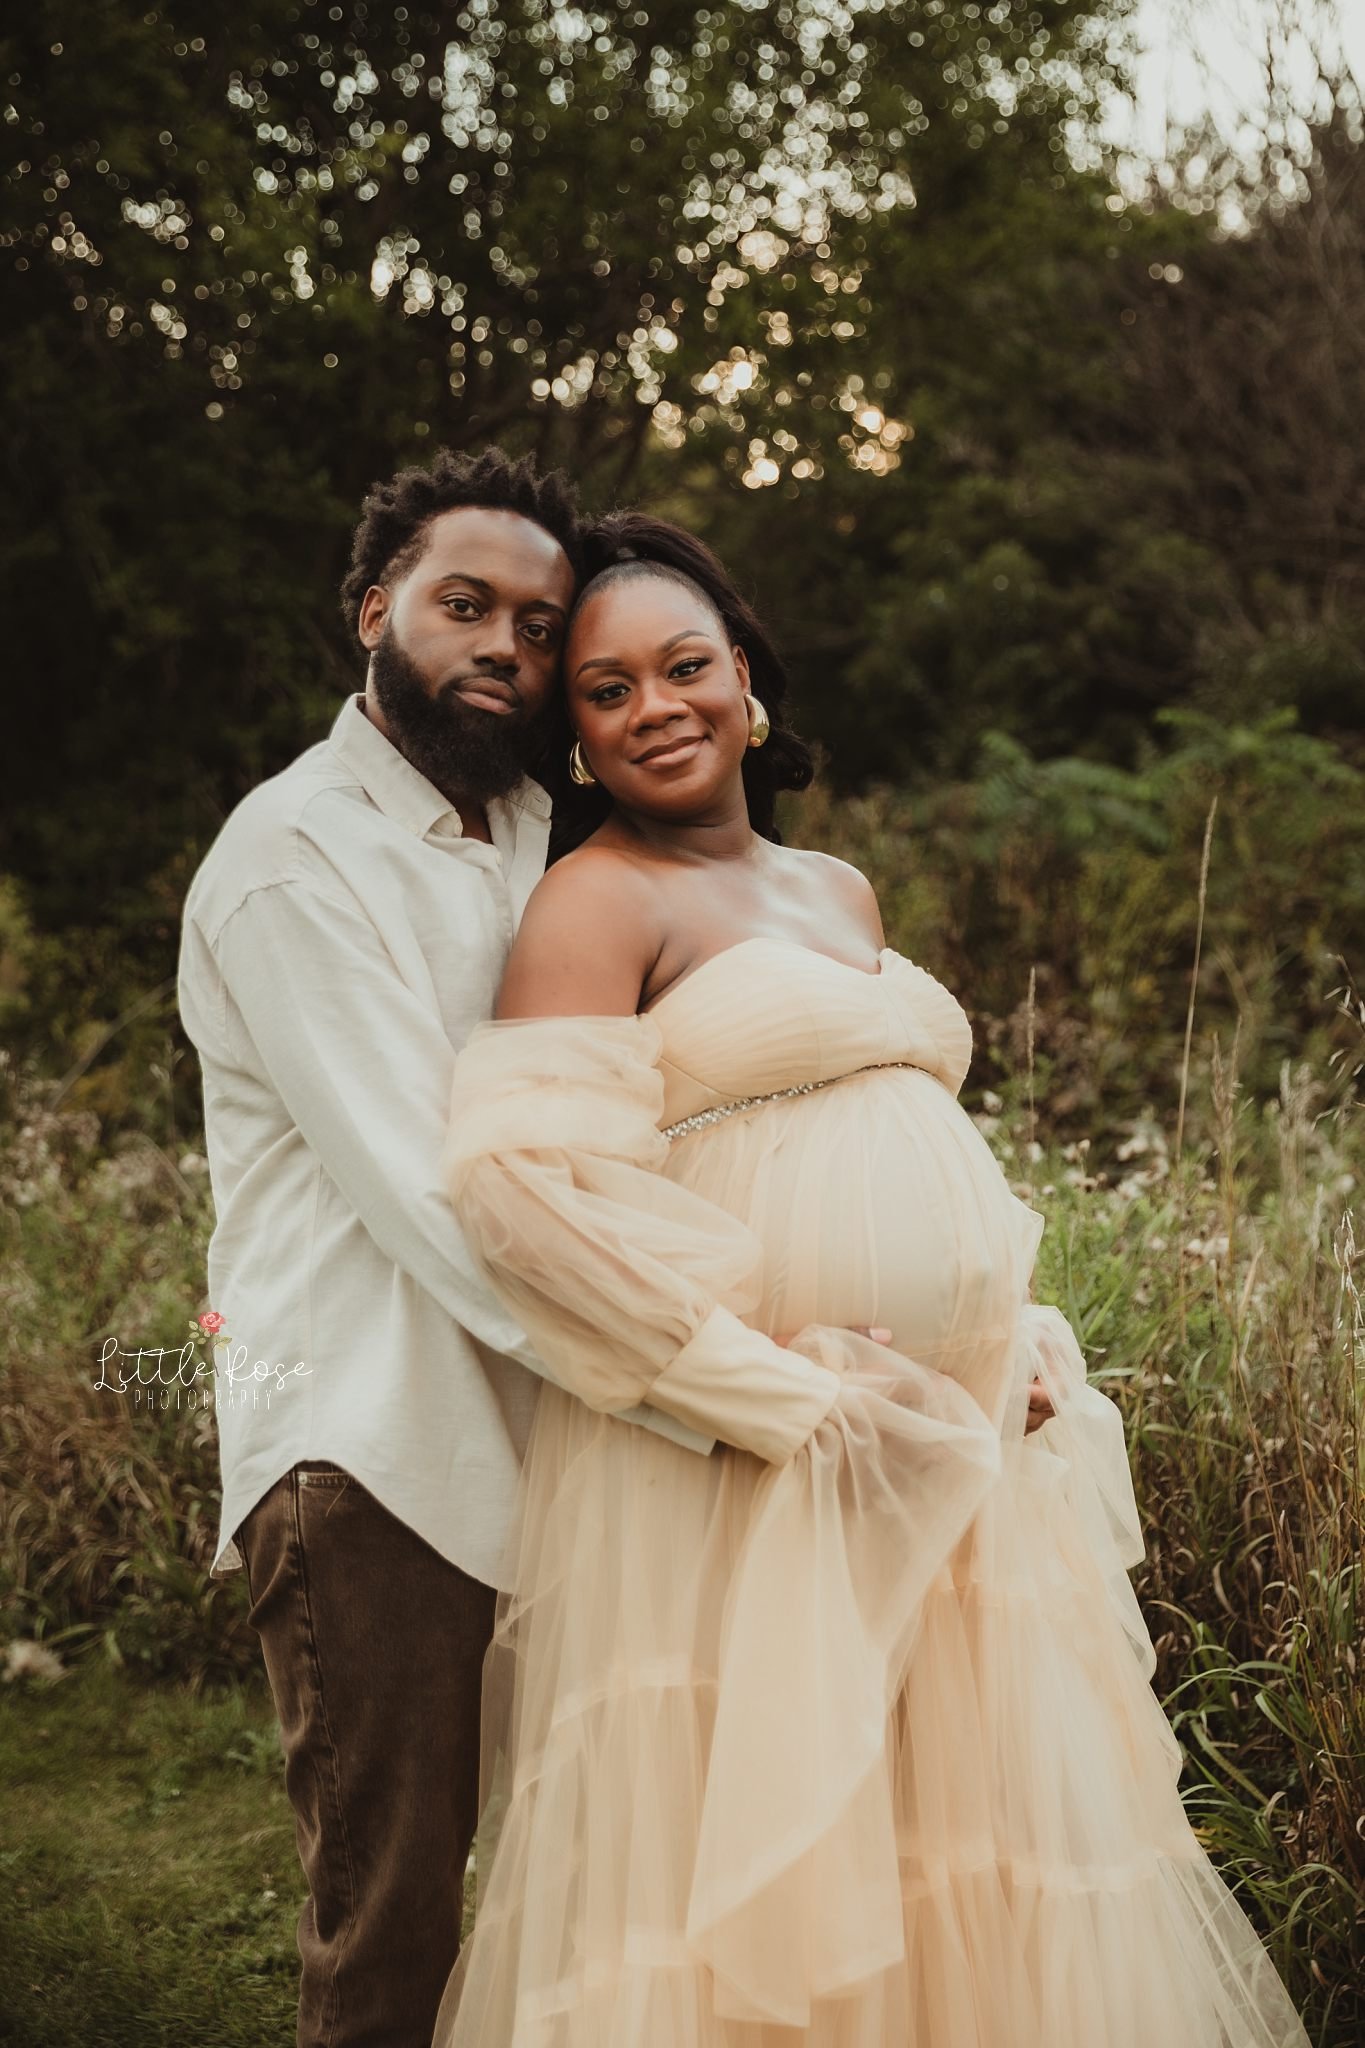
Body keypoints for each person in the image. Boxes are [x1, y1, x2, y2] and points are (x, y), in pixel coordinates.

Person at [434, 514, 1310, 2045]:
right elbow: (530, 1206)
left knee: (956, 1833)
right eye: (606, 687)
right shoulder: (597, 902)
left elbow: (922, 1150)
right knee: (778, 1840)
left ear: (747, 684)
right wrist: (777, 1393)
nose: (656, 707)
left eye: (684, 667)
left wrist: (1012, 1335)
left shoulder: (836, 889)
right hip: (758, 1464)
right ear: (570, 734)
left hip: (955, 1446)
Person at [177, 450, 707, 2048]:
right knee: (393, 1921)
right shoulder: (291, 860)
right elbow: (437, 1190)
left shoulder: (557, 832)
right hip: (374, 1450)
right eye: (461, 604)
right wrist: (700, 1381)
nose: (504, 647)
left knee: (589, 1883)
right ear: (373, 613)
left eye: (538, 626)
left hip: (569, 1446)